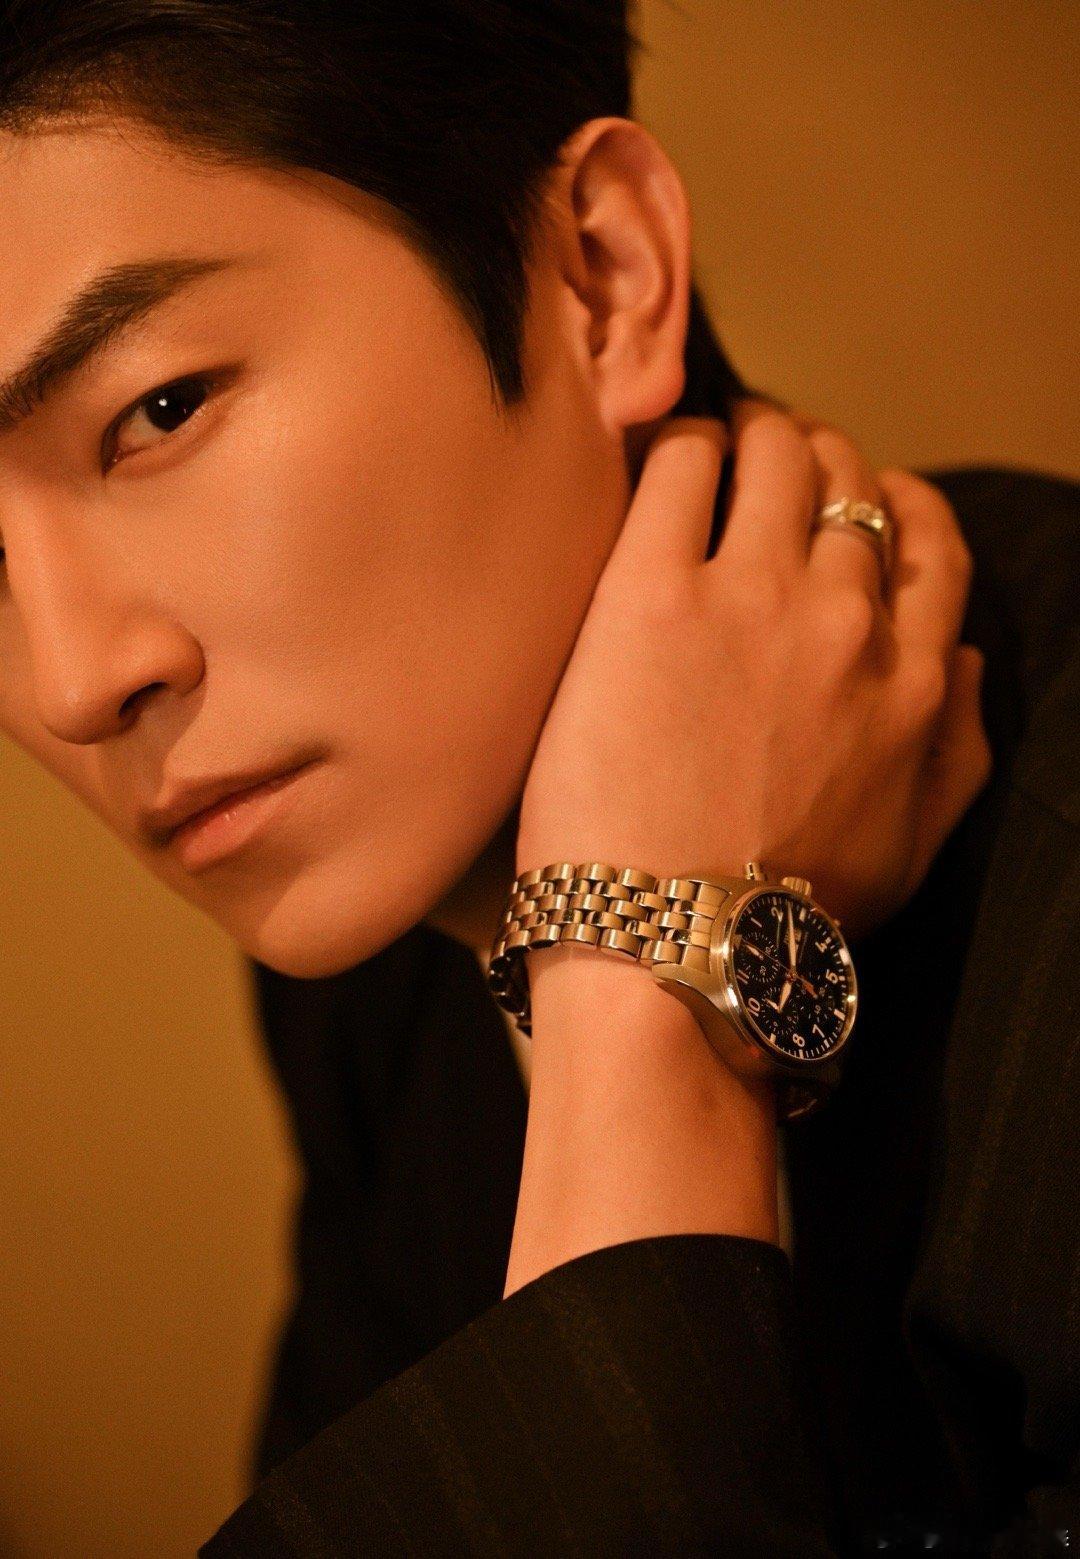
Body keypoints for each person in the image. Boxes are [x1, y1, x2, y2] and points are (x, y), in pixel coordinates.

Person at [0, 3, 1074, 1554]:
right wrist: (639, 984)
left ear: (603, 275)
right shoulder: (382, 976)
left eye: (160, 411)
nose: (72, 681)